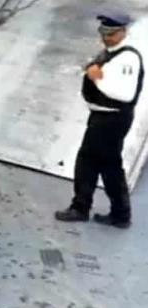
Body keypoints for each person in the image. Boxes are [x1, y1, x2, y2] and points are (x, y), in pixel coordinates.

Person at [55, 14, 145, 229]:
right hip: (103, 117)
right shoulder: (112, 53)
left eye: (112, 34)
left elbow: (124, 94)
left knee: (92, 161)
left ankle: (83, 207)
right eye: (104, 33)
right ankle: (118, 214)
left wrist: (97, 78)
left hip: (112, 119)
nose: (107, 38)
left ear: (123, 31)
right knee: (107, 164)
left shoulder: (127, 58)